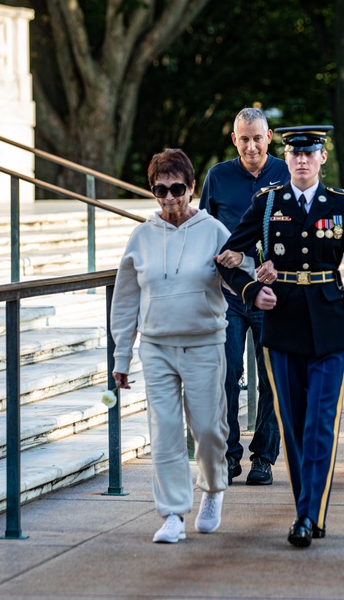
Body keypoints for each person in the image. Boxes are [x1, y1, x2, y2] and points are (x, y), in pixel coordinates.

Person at [215, 125, 344, 548]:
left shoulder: (342, 205)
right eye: (294, 153)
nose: (302, 159)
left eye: (310, 152)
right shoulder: (267, 205)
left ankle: (306, 514)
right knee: (294, 426)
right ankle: (309, 509)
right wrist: (251, 290)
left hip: (330, 326)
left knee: (321, 423)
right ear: (287, 158)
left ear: (322, 158)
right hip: (281, 326)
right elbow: (226, 258)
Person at [110, 148, 254, 543]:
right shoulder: (141, 236)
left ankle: (212, 487)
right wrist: (121, 355)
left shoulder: (213, 230)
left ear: (192, 187)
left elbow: (242, 272)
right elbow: (124, 302)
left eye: (178, 189)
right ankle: (172, 513)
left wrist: (249, 267)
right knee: (166, 431)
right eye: (161, 190)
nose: (170, 198)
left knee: (208, 429)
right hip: (156, 347)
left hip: (205, 342)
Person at [199, 107, 290, 486]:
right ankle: (229, 454)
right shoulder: (218, 176)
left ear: (269, 138)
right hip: (229, 294)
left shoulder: (287, 173)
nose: (251, 146)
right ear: (234, 140)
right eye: (244, 139)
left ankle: (264, 458)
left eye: (258, 138)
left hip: (272, 293)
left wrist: (259, 255)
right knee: (226, 374)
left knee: (271, 378)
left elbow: (301, 228)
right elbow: (203, 228)